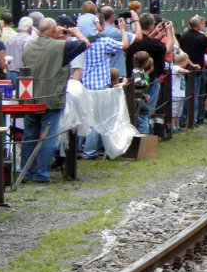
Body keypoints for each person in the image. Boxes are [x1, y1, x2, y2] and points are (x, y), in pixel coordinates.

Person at [19, 18, 89, 183]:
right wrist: (75, 32)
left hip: (30, 98)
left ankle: (26, 172)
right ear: (52, 31)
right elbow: (85, 44)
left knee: (29, 136)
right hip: (51, 97)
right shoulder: (60, 46)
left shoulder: (29, 46)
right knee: (48, 138)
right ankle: (41, 174)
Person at [80, 16, 130, 158]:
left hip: (84, 85)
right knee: (98, 120)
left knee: (84, 118)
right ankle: (90, 151)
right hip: (100, 85)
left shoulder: (79, 43)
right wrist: (122, 29)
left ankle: (80, 147)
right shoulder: (104, 42)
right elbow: (125, 45)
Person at [125, 13, 168, 135]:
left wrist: (153, 34)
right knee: (145, 111)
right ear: (151, 26)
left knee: (136, 109)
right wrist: (170, 32)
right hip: (148, 80)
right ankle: (144, 135)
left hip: (131, 79)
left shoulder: (133, 41)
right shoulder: (149, 44)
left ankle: (139, 133)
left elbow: (144, 40)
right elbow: (168, 49)